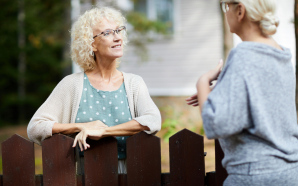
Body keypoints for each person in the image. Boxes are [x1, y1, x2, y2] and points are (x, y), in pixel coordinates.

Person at [27, 6, 161, 174]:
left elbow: (153, 120)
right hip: (86, 172)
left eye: (119, 31)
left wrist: (104, 131)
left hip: (130, 172)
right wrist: (81, 126)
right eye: (107, 33)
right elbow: (35, 127)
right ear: (91, 44)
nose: (118, 37)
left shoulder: (134, 83)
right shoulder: (72, 84)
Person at [186, 0, 298, 185]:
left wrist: (203, 83)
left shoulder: (243, 55)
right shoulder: (281, 54)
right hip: (290, 173)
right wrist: (223, 86)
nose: (225, 12)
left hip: (254, 175)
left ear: (240, 10)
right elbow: (262, 94)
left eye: (226, 6)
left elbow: (216, 125)